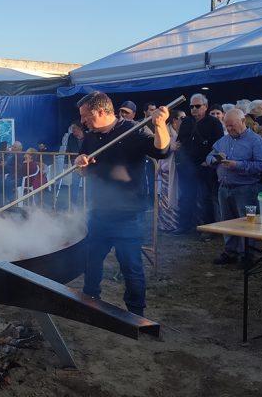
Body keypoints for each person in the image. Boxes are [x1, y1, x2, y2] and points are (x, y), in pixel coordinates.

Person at [74, 91, 171, 317]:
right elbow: (84, 173)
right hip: (98, 211)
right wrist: (81, 165)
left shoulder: (134, 130)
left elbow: (162, 151)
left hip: (128, 214)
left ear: (100, 111)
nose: (82, 121)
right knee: (91, 261)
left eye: (85, 115)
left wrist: (160, 125)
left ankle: (136, 313)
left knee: (131, 266)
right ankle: (90, 301)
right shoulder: (88, 137)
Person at [206, 109, 262, 265]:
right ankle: (230, 252)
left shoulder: (256, 141)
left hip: (245, 188)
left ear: (242, 122)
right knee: (227, 221)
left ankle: (246, 254)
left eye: (232, 125)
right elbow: (209, 157)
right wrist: (215, 160)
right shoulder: (223, 140)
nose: (229, 129)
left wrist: (237, 165)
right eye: (227, 126)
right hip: (225, 186)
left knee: (247, 223)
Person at [173, 93, 224, 235]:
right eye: (192, 106)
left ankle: (208, 229)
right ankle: (185, 225)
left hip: (205, 166)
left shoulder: (214, 123)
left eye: (197, 106)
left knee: (206, 197)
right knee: (186, 196)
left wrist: (208, 161)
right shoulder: (187, 122)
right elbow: (180, 142)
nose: (194, 109)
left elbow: (219, 145)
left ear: (205, 107)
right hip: (187, 166)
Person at [159, 110, 185, 232]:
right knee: (166, 199)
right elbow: (159, 148)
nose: (184, 120)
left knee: (175, 197)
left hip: (176, 170)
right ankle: (167, 225)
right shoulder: (166, 132)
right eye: (182, 118)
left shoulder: (181, 132)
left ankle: (175, 224)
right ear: (175, 120)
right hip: (166, 170)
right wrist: (171, 147)